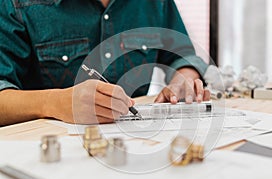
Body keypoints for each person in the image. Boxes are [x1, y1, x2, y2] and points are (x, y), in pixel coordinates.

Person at [0, 0, 210, 126]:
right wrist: (56, 102)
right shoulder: (16, 4)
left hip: (137, 147)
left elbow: (181, 54)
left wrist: (185, 77)